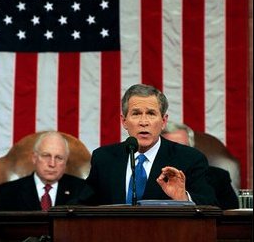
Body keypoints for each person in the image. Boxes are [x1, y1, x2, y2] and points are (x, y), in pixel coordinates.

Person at [86, 84, 219, 206]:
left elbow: (210, 206)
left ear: (163, 121)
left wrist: (182, 198)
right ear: (124, 121)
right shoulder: (103, 158)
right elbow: (84, 204)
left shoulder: (189, 158)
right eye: (136, 113)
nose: (144, 122)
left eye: (151, 113)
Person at [0, 131, 94, 211]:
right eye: (46, 156)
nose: (52, 164)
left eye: (59, 158)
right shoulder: (8, 192)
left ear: (66, 161)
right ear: (34, 158)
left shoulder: (81, 190)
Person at [162, 121, 239, 210]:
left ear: (192, 150)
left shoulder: (218, 177)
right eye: (171, 148)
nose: (178, 153)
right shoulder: (147, 174)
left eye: (183, 148)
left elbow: (231, 217)